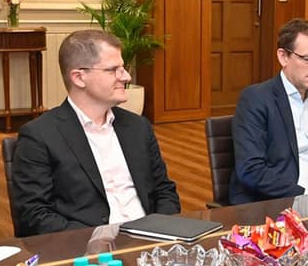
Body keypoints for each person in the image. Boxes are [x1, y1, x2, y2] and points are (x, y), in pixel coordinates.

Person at [9, 29, 180, 235]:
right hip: (86, 248)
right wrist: (96, 240)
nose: (126, 77)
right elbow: (34, 215)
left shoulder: (138, 127)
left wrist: (162, 232)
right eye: (113, 70)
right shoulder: (40, 136)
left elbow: (165, 191)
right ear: (79, 78)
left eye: (123, 68)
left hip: (151, 241)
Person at [230, 18, 308, 204]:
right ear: (283, 57)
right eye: (307, 59)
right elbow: (252, 170)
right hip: (278, 204)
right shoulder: (256, 99)